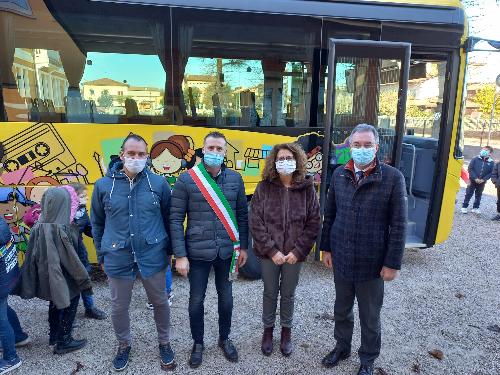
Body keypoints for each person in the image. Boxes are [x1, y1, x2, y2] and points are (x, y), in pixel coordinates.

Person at [320, 124, 407, 375]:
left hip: (372, 261)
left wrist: (392, 263)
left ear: (376, 147)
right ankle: (342, 347)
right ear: (349, 147)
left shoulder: (392, 178)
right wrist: (326, 248)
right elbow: (331, 213)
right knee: (342, 309)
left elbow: (399, 224)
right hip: (342, 257)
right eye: (356, 145)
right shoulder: (338, 175)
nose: (361, 149)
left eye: (367, 145)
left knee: (370, 316)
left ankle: (368, 357)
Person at [91, 134, 175, 371]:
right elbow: (97, 223)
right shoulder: (103, 185)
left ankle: (164, 343)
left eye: (141, 154)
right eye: (131, 154)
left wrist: (169, 252)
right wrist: (101, 255)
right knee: (119, 306)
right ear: (122, 155)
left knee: (160, 302)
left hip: (153, 254)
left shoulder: (158, 184)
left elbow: (170, 219)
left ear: (147, 157)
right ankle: (124, 345)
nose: (136, 158)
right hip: (117, 255)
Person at [170, 131, 248, 368]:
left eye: (219, 149)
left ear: (225, 152)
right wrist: (180, 255)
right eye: (211, 148)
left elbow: (243, 216)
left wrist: (243, 247)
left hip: (226, 251)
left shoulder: (235, 179)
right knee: (196, 300)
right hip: (197, 252)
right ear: (203, 150)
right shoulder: (187, 180)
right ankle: (198, 343)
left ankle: (224, 339)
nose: (215, 153)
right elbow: (175, 218)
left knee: (226, 299)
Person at [250, 143, 321, 357]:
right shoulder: (264, 187)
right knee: (270, 292)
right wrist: (272, 251)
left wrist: (298, 251)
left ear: (297, 160)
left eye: (289, 158)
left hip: (294, 256)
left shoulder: (307, 188)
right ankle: (268, 331)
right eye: (281, 158)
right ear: (274, 162)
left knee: (288, 294)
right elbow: (256, 221)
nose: (285, 162)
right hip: (268, 255)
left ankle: (286, 332)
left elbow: (313, 222)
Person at [18, 187, 92, 355]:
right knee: (70, 302)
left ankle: (54, 337)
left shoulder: (40, 224)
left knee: (54, 303)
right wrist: (82, 278)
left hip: (48, 275)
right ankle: (64, 340)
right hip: (64, 276)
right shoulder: (61, 228)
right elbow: (71, 259)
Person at [67, 183, 107, 320]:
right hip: (66, 254)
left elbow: (89, 228)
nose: (86, 199)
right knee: (68, 283)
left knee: (85, 278)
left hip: (79, 251)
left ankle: (89, 308)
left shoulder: (82, 210)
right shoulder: (63, 213)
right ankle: (66, 314)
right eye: (83, 196)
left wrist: (103, 232)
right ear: (72, 198)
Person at [0, 217, 29, 374]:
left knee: (1, 322)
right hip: (8, 277)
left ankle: (11, 358)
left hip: (2, 282)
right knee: (3, 308)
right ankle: (18, 336)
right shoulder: (2, 224)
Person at [461, 146, 494, 214]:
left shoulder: (491, 162)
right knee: (469, 193)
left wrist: (483, 179)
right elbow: (470, 169)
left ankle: (475, 207)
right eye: (483, 149)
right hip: (473, 180)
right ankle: (464, 206)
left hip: (482, 182)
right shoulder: (475, 159)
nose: (484, 151)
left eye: (486, 150)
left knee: (479, 194)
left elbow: (491, 173)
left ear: (490, 153)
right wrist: (475, 178)